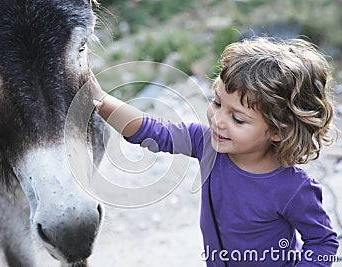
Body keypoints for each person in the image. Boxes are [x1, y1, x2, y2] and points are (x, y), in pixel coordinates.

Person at [91, 37, 339, 266]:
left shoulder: (293, 188)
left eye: (238, 119)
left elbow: (322, 243)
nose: (218, 120)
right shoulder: (206, 144)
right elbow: (153, 131)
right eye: (217, 103)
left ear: (278, 131)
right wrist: (100, 100)